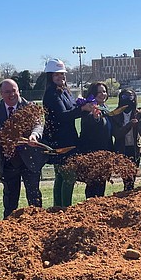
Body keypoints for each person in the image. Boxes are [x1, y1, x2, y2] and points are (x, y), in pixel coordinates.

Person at [0, 79, 45, 218]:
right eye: (7, 92)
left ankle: (39, 223)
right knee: (10, 197)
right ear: (1, 93)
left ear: (18, 91)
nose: (12, 94)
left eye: (14, 90)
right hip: (8, 161)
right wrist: (0, 137)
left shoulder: (29, 106)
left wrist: (34, 135)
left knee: (34, 194)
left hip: (29, 159)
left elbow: (38, 124)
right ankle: (8, 225)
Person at [42, 58, 94, 207]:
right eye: (56, 75)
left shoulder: (64, 91)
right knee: (69, 176)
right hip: (60, 140)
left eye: (62, 74)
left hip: (67, 137)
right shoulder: (51, 93)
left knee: (61, 176)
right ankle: (65, 209)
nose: (60, 78)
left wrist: (84, 108)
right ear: (50, 77)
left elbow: (72, 110)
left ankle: (58, 208)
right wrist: (82, 109)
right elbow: (62, 115)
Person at [79, 82, 114, 198]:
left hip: (105, 153)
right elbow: (89, 122)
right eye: (99, 92)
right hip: (93, 155)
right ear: (93, 94)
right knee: (92, 187)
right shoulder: (89, 109)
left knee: (101, 185)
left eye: (104, 91)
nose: (102, 94)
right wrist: (95, 118)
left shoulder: (105, 108)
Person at [112, 88, 141, 191]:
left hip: (135, 149)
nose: (128, 100)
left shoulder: (138, 113)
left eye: (130, 97)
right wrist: (129, 125)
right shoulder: (115, 115)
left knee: (132, 176)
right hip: (122, 149)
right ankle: (127, 193)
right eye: (125, 97)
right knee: (126, 177)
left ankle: (129, 193)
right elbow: (117, 134)